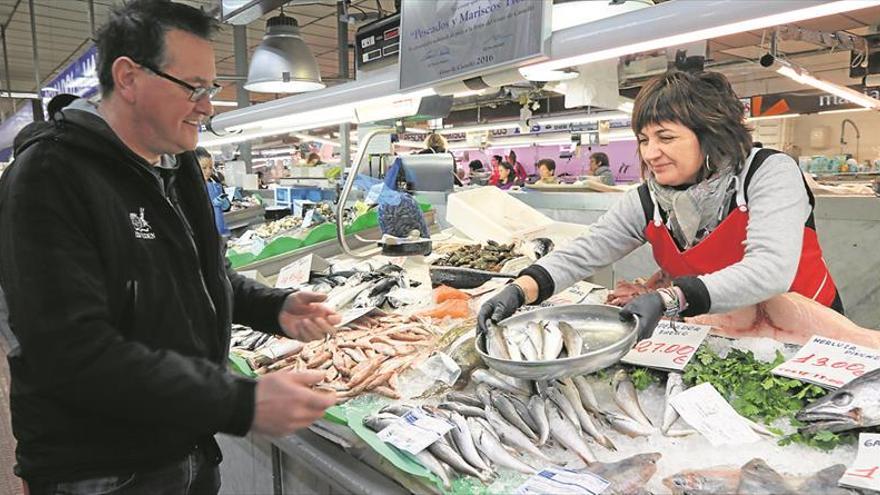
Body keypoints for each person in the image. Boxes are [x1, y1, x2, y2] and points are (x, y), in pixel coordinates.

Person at [0, 2, 340, 494]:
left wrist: (274, 307)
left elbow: (204, 276)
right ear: (129, 78)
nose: (207, 105)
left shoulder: (176, 168)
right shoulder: (49, 177)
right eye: (194, 88)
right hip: (102, 468)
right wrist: (239, 403)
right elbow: (72, 353)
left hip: (188, 446)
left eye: (212, 89)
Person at [478, 69, 842, 344]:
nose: (651, 153)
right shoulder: (649, 198)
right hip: (723, 335)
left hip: (811, 337)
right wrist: (522, 287)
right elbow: (586, 251)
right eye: (644, 140)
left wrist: (671, 297)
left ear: (710, 134)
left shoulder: (768, 172)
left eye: (665, 137)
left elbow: (770, 270)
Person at [197, 146, 231, 236]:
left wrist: (225, 204)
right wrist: (211, 205)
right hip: (204, 233)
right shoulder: (190, 188)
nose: (208, 171)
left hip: (220, 229)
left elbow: (226, 208)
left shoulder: (215, 181)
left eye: (210, 167)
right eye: (204, 168)